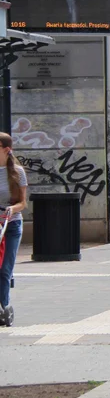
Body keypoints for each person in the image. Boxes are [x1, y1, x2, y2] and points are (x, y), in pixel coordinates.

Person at [0, 132, 27, 327]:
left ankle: (4, 307)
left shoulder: (17, 172)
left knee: (4, 270)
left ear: (6, 150)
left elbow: (22, 203)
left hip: (12, 225)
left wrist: (12, 209)